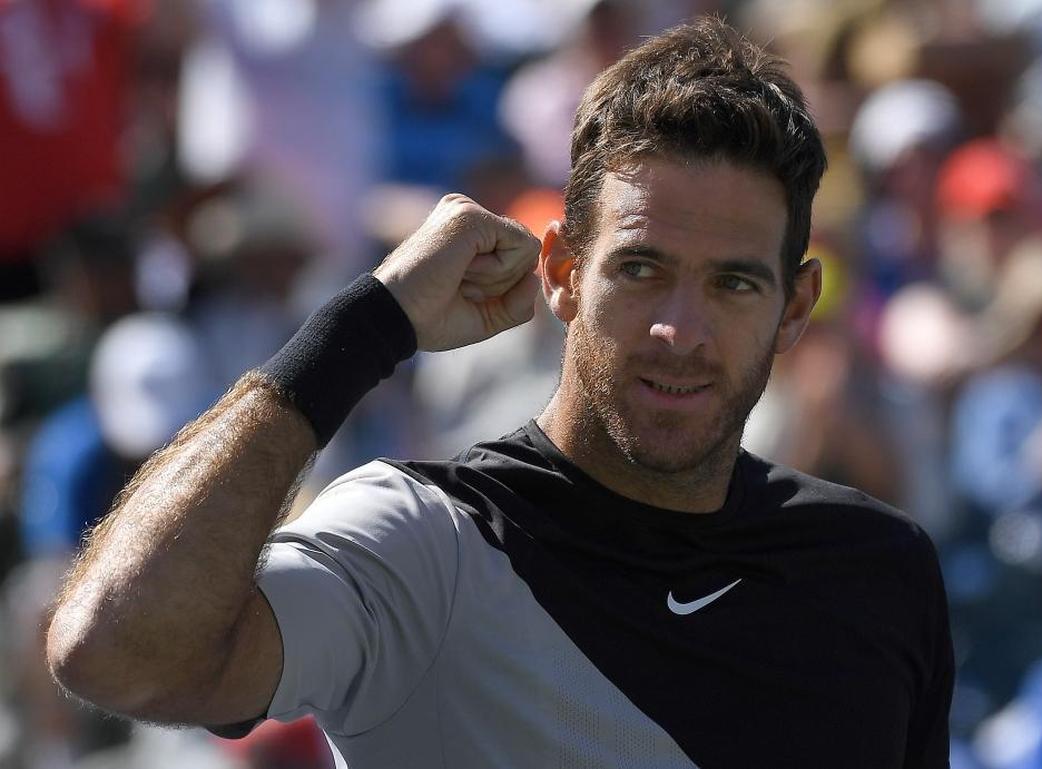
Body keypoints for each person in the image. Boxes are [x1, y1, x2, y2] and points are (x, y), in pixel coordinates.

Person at [44, 17, 953, 768]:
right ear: (560, 272)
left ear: (796, 308)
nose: (681, 327)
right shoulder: (423, 542)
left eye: (734, 284)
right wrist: (363, 326)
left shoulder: (880, 569)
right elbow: (113, 651)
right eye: (640, 269)